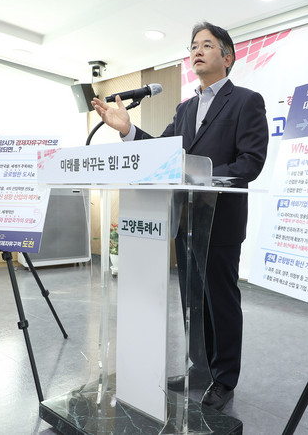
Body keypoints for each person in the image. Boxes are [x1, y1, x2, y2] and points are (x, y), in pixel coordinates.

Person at [92, 21, 269, 411]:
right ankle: (200, 367)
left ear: (228, 57)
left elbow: (251, 162)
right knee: (193, 300)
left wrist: (202, 178)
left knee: (220, 301)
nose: (196, 51)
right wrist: (128, 131)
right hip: (185, 220)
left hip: (220, 220)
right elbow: (163, 155)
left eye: (206, 45)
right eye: (193, 46)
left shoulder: (246, 101)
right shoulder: (185, 109)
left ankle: (224, 378)